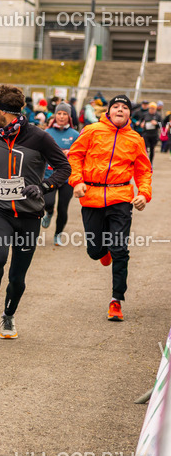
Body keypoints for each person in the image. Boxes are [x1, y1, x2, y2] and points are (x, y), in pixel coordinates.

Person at [0, 85, 71, 339]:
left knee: (17, 276)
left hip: (29, 215)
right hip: (0, 210)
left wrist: (44, 187)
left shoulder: (39, 137)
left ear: (4, 111)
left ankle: (8, 316)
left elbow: (64, 168)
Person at [67, 94, 152, 322]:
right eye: (116, 106)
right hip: (92, 196)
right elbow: (74, 156)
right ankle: (103, 252)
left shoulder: (135, 139)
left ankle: (116, 300)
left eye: (124, 107)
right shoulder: (92, 130)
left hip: (121, 197)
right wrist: (77, 181)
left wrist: (143, 193)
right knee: (95, 251)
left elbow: (144, 171)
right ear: (109, 111)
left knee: (120, 249)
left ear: (129, 113)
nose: (120, 110)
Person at [42, 103, 79, 245]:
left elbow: (80, 154)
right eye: (59, 113)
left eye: (64, 114)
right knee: (48, 202)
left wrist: (70, 153)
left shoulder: (74, 135)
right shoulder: (47, 133)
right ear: (55, 115)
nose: (62, 117)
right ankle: (49, 212)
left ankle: (58, 234)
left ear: (69, 117)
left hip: (67, 178)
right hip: (49, 176)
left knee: (63, 209)